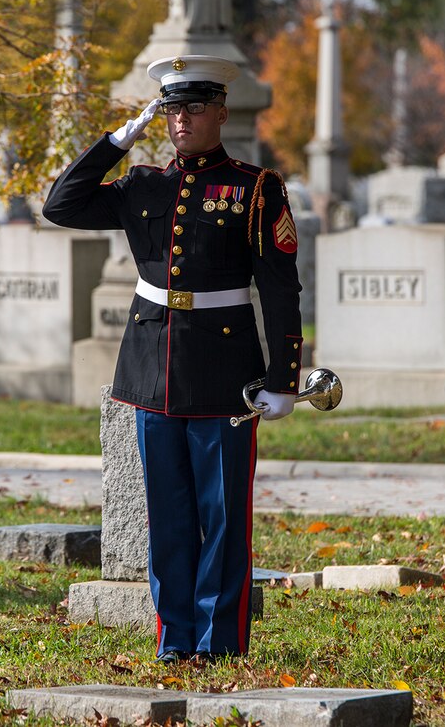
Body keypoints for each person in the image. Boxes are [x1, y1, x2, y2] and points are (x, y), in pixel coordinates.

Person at [42, 55, 302, 662]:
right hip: (150, 370)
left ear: (220, 113)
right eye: (170, 110)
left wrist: (283, 377)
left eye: (192, 108)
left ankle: (218, 642)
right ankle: (176, 638)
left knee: (223, 518)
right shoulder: (143, 185)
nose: (180, 120)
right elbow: (60, 206)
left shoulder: (255, 188)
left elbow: (280, 287)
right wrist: (116, 140)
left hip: (225, 370)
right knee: (170, 517)